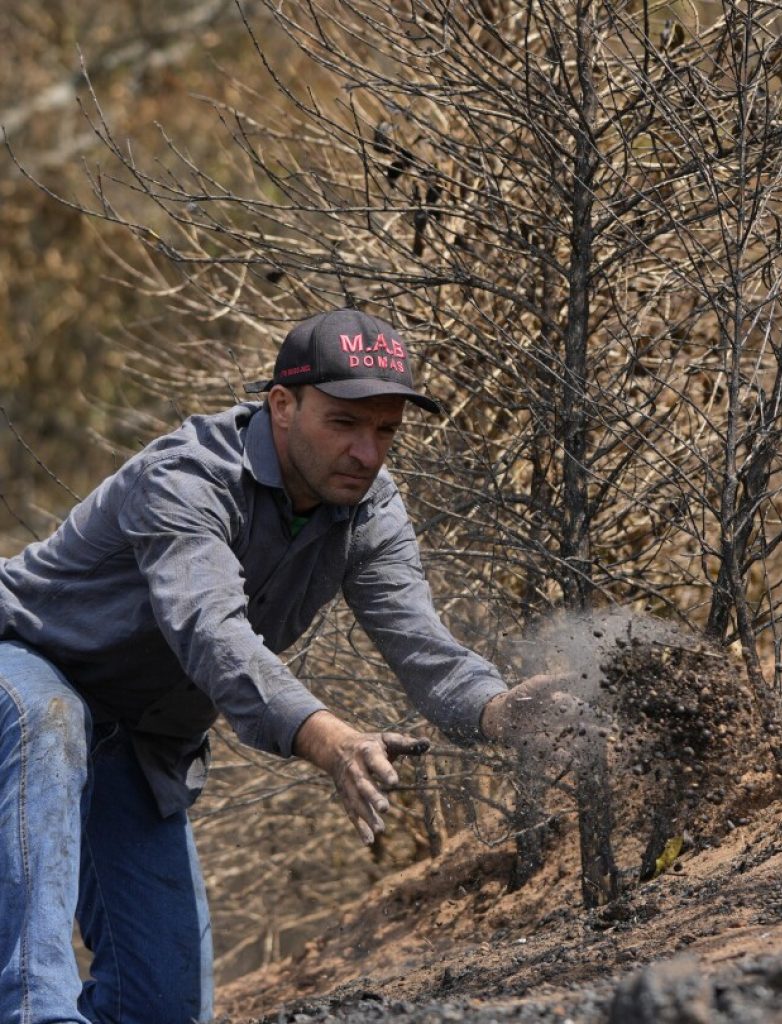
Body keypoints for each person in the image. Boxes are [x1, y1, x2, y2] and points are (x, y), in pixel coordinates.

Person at [0, 309, 562, 1024]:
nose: (367, 452)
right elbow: (212, 632)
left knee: (165, 1008)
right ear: (282, 405)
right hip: (19, 666)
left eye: (385, 430)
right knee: (50, 716)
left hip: (138, 741)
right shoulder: (186, 477)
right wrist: (330, 741)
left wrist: (503, 711)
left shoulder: (367, 512)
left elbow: (424, 650)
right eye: (344, 424)